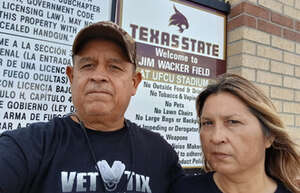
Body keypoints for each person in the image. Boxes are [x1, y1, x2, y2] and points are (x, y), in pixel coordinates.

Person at [0, 21, 183, 193]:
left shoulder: (160, 154)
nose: (98, 76)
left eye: (114, 67)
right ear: (72, 77)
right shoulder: (31, 146)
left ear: (134, 83)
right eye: (88, 65)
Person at [172, 74, 300, 193]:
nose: (216, 138)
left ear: (269, 136)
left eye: (233, 122)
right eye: (207, 123)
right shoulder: (182, 189)